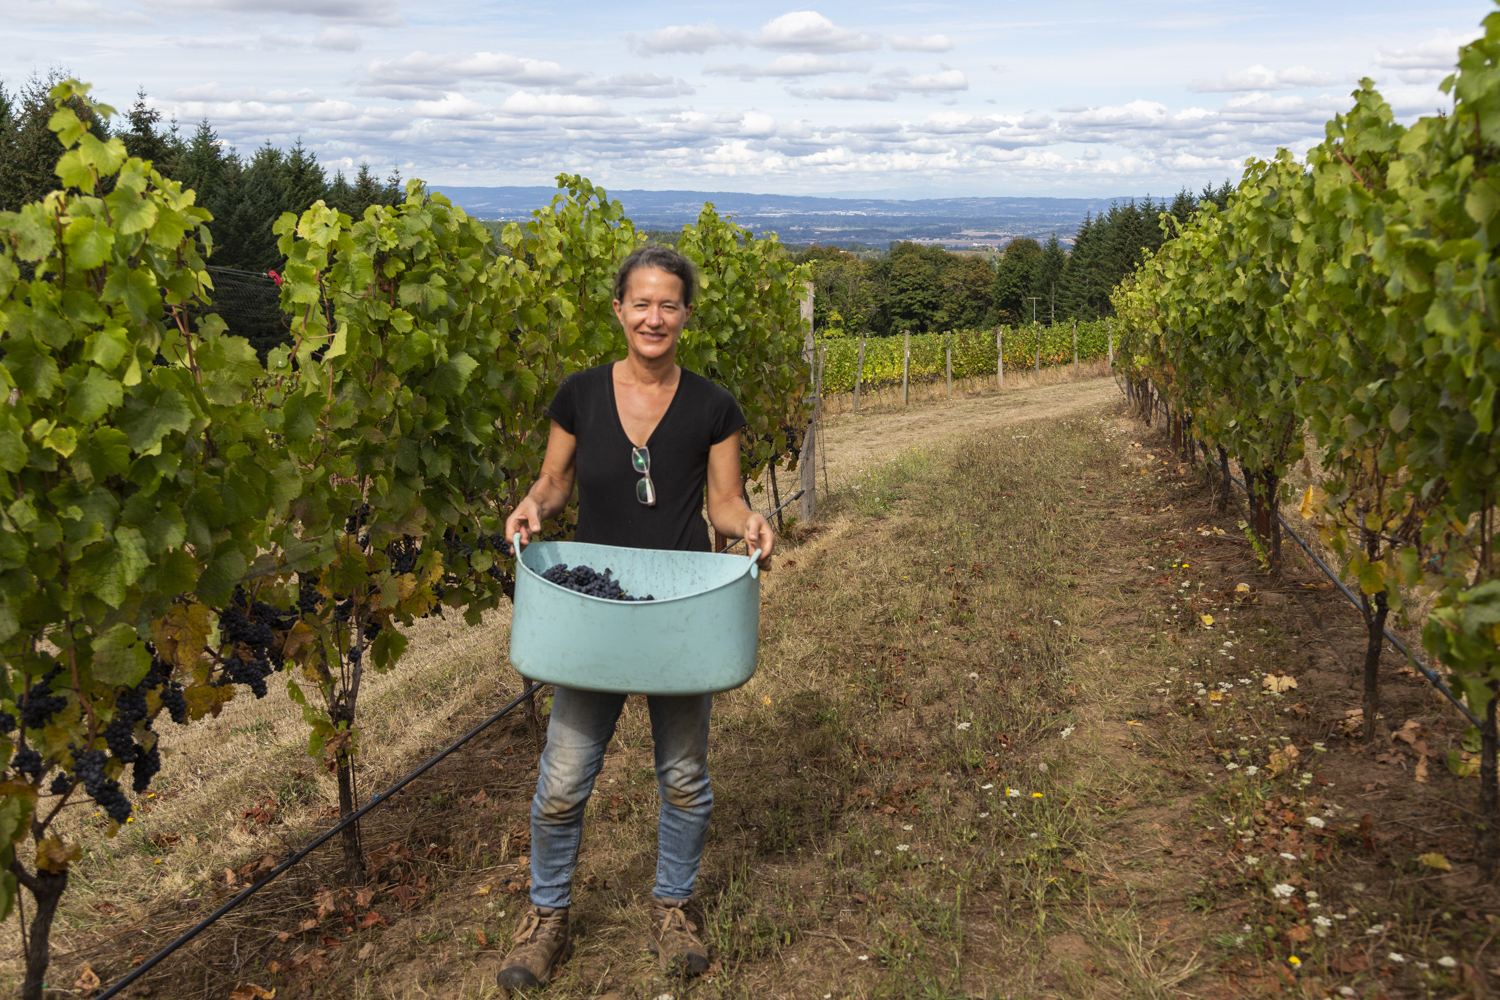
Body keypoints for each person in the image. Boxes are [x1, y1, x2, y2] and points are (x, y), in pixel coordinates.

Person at [497, 246, 776, 991]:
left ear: (686, 314)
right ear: (619, 309)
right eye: (641, 303)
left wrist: (748, 523)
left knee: (684, 778)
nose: (655, 317)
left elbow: (723, 504)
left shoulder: (714, 407)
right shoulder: (580, 395)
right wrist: (533, 506)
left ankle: (673, 908)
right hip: (597, 611)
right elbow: (554, 484)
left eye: (670, 305)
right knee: (562, 780)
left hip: (680, 616)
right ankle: (546, 918)